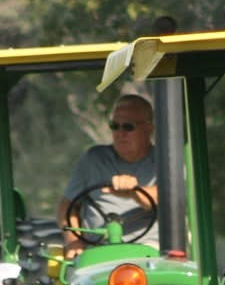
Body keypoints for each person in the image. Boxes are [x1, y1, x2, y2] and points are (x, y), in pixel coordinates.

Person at [57, 93, 160, 257]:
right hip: (97, 251)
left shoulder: (164, 160)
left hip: (149, 251)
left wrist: (134, 192)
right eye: (115, 126)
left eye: (128, 127)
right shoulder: (92, 159)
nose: (120, 133)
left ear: (149, 128)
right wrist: (73, 241)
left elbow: (167, 199)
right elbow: (67, 205)